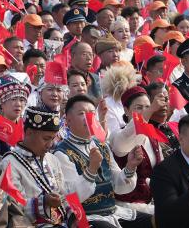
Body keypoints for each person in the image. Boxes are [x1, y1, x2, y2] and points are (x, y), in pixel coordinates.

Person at [53, 94, 147, 228]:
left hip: (113, 212)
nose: (88, 117)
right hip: (87, 217)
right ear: (68, 120)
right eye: (81, 113)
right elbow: (71, 198)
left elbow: (117, 186)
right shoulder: (62, 153)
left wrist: (130, 167)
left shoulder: (102, 145)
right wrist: (91, 169)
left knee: (156, 220)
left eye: (92, 113)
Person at [0, 106, 74, 228]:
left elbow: (66, 194)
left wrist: (77, 219)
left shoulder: (52, 159)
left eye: (53, 138)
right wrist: (44, 202)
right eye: (46, 138)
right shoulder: (9, 164)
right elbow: (15, 207)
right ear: (29, 133)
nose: (50, 144)